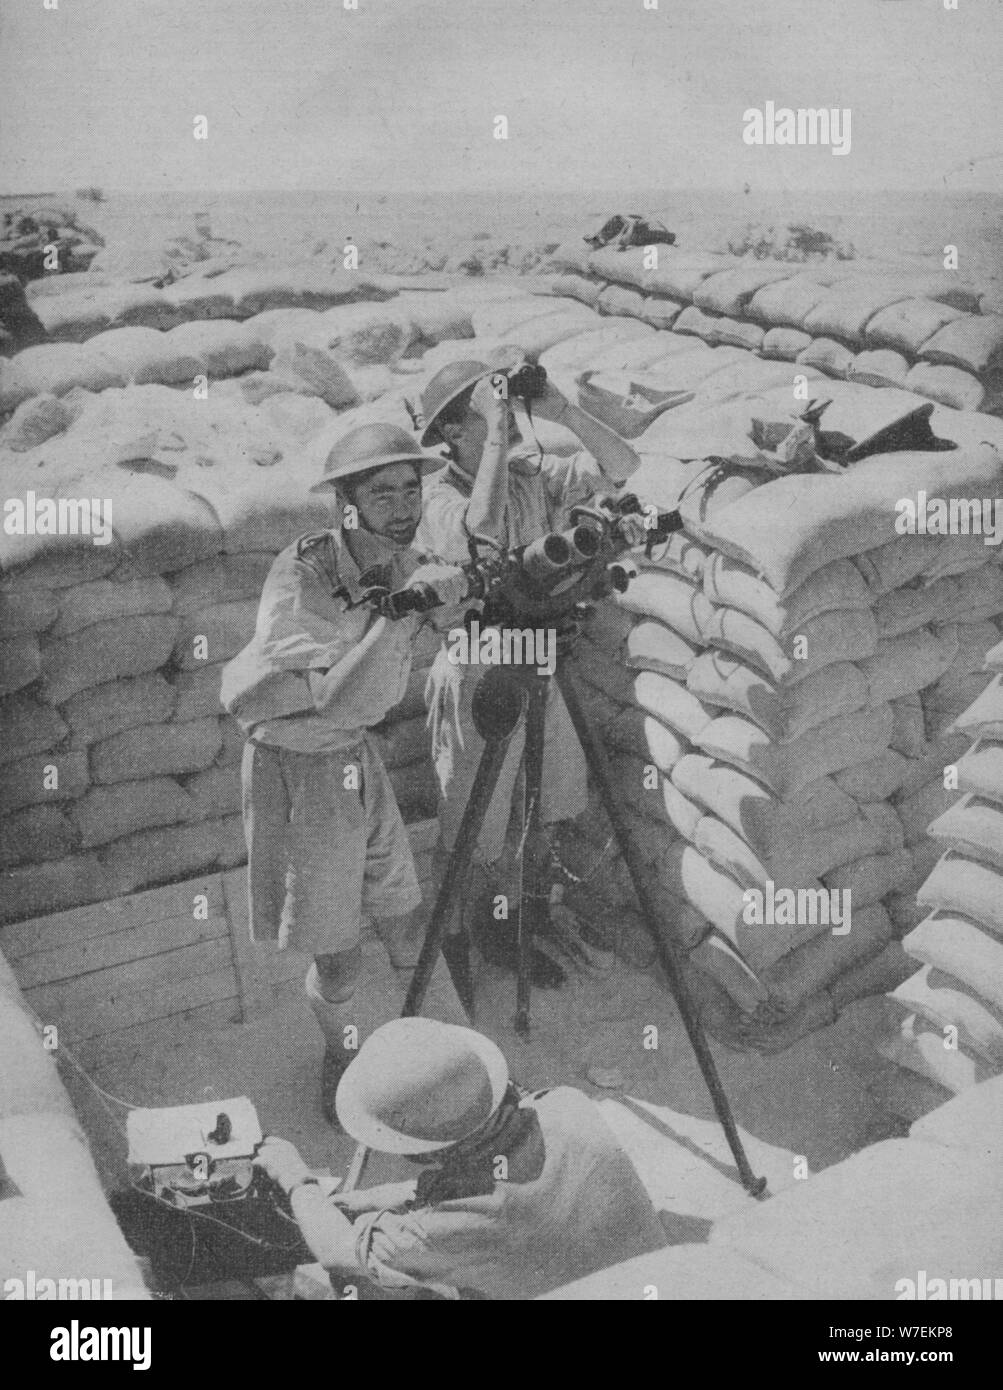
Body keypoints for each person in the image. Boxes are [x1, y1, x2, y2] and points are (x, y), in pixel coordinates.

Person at [221, 423, 469, 1124]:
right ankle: (346, 1060)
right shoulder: (304, 571)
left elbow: (457, 616)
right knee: (339, 954)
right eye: (382, 493)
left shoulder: (407, 558)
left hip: (353, 758)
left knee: (406, 918)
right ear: (345, 505)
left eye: (410, 490)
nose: (402, 506)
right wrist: (406, 611)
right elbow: (337, 697)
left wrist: (462, 599)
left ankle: (447, 1060)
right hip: (299, 765)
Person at [414, 357, 644, 969]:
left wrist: (562, 410)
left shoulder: (531, 477)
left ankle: (518, 923)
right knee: (475, 822)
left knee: (548, 803)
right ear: (451, 431)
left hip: (540, 654)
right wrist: (495, 427)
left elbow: (623, 467)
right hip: (477, 664)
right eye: (484, 409)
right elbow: (479, 534)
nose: (506, 415)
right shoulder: (435, 496)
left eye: (504, 406)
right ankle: (454, 941)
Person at [253, 1017, 667, 1299]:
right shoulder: (563, 1103)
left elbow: (336, 1249)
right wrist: (376, 1199)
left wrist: (296, 1179)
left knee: (351, 1285)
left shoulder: (445, 1229)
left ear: (427, 1150)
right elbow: (495, 1175)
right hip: (657, 1282)